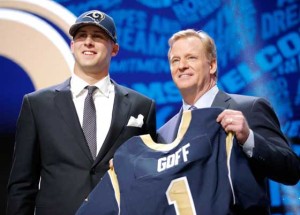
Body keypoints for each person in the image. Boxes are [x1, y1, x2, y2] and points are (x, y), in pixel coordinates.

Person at [6, 10, 156, 215]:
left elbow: (149, 180)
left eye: (98, 36)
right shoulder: (37, 104)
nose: (88, 42)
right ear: (72, 46)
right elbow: (22, 185)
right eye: (81, 36)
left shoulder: (142, 107)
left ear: (115, 49)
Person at [157, 29, 300, 214]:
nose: (181, 66)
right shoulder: (164, 134)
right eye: (175, 60)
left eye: (191, 58)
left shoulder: (249, 108)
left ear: (212, 65)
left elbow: (291, 170)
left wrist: (249, 138)